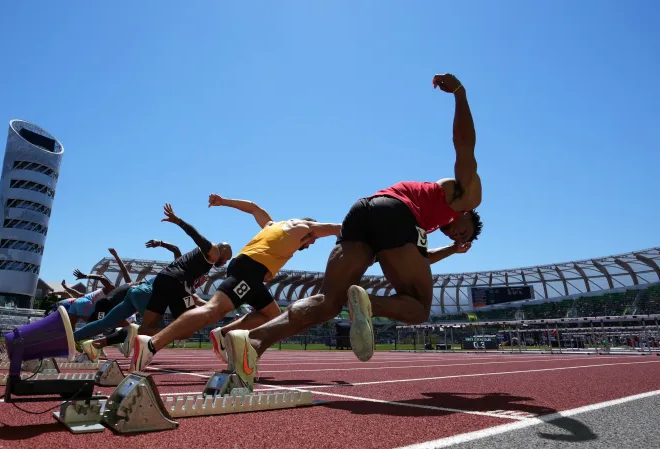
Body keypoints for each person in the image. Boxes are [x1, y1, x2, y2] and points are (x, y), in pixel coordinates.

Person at [223, 73, 484, 386]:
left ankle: (251, 342)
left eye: (461, 241)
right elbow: (464, 146)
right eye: (465, 233)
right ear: (469, 215)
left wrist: (452, 250)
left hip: (363, 210)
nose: (459, 237)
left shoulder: (427, 218)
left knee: (327, 301)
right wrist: (460, 93)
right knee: (418, 309)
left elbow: (412, 263)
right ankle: (365, 303)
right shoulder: (466, 195)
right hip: (396, 215)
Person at [131, 195, 341, 371]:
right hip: (249, 271)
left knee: (273, 316)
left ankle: (223, 334)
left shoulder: (272, 225)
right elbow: (336, 227)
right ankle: (152, 344)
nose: (312, 243)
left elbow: (253, 208)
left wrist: (223, 201)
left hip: (253, 274)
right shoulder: (305, 227)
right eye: (313, 240)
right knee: (213, 310)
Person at [73, 239, 208, 354]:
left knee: (104, 322)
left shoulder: (185, 281)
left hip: (135, 292)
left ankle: (72, 337)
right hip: (146, 294)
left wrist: (159, 243)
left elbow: (192, 298)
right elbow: (195, 299)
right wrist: (213, 307)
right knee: (159, 330)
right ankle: (132, 348)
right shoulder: (183, 273)